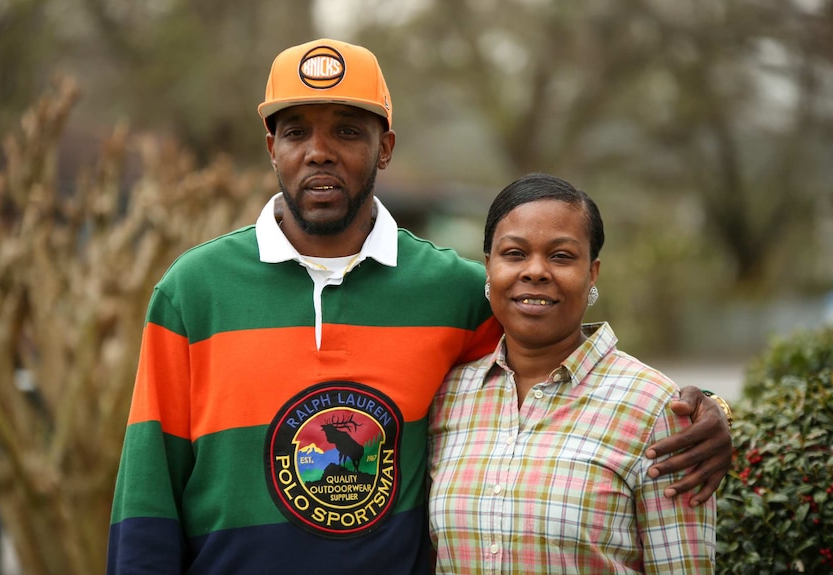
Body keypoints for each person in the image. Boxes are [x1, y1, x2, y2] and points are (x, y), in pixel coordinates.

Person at [106, 39, 730, 575]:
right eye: (297, 131)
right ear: (271, 146)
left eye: (348, 131)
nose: (319, 151)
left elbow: (562, 368)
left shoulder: (456, 292)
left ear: (385, 148)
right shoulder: (193, 290)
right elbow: (148, 494)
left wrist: (710, 412)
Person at [428, 172, 716, 573]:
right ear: (488, 267)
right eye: (514, 253)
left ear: (593, 272)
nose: (536, 271)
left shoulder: (654, 407)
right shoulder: (448, 397)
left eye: (561, 256)